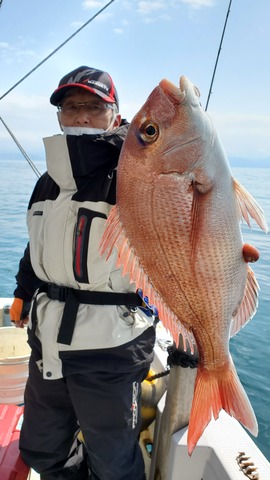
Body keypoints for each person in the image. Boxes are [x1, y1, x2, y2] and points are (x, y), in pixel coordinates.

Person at [10, 66, 156, 480]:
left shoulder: (135, 176)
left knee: (114, 464)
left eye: (94, 106)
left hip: (112, 344)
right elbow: (39, 245)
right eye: (72, 107)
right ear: (59, 115)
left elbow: (177, 232)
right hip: (48, 341)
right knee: (40, 449)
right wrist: (23, 291)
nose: (82, 116)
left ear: (115, 112)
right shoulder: (47, 183)